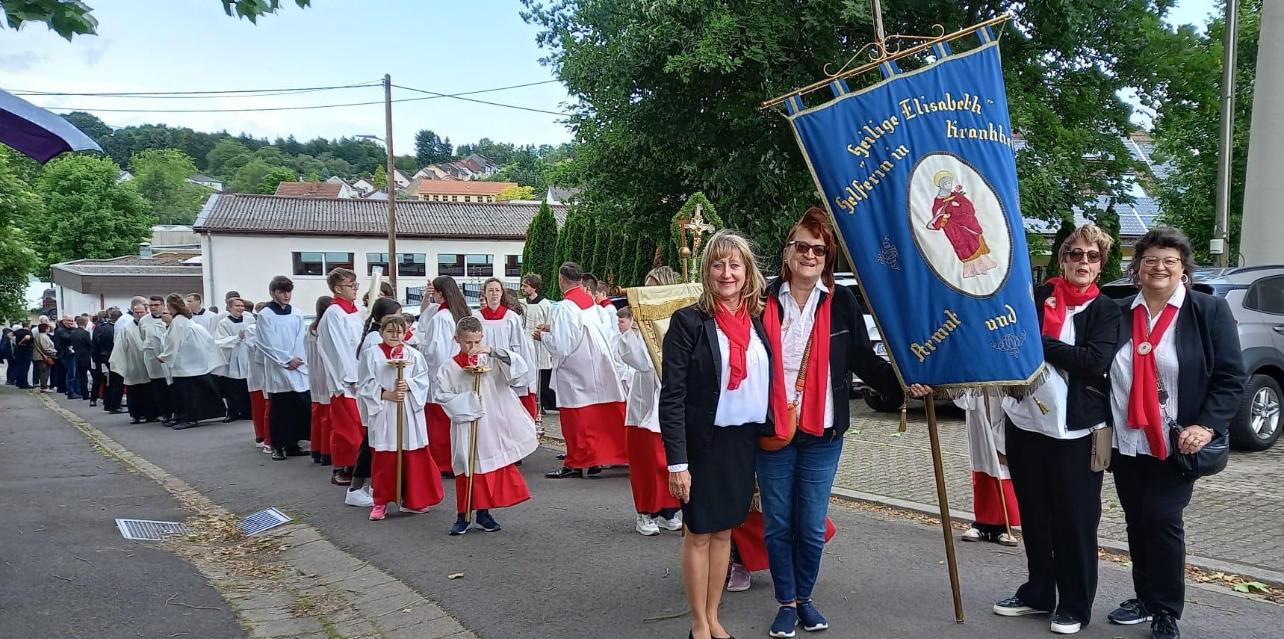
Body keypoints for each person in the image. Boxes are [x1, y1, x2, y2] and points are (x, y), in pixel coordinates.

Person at [756, 208, 919, 638]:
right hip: (773, 429)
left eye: (819, 249)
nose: (810, 255)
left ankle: (805, 598)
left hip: (823, 431)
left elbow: (864, 358)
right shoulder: (763, 300)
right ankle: (785, 602)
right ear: (788, 251)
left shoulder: (841, 301)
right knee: (778, 524)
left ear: (828, 258)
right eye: (802, 246)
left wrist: (905, 384)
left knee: (809, 526)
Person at [1105, 227, 1245, 639]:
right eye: (1150, 260)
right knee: (1136, 520)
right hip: (1127, 438)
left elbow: (1230, 377)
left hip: (1177, 441)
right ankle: (1144, 598)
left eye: (1169, 260)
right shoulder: (1119, 311)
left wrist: (1207, 425)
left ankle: (1166, 609)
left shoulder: (1207, 311)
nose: (1159, 267)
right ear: (1137, 269)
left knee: (1162, 518)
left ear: (1183, 268)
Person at [991, 223, 1122, 636]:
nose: (1083, 262)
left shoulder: (1107, 312)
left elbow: (1091, 361)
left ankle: (1075, 602)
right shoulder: (1039, 298)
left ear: (1101, 266)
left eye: (1092, 256)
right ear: (1062, 260)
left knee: (1076, 519)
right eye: (1076, 254)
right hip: (1026, 423)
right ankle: (1039, 591)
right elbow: (1008, 339)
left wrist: (1038, 342)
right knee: (1035, 514)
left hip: (1077, 431)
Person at [659, 230, 771, 639]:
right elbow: (672, 396)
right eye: (719, 265)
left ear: (747, 271)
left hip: (742, 444)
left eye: (735, 265)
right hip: (702, 445)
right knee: (699, 532)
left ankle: (714, 614)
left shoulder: (758, 322)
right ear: (708, 272)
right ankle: (697, 623)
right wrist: (677, 462)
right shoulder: (689, 322)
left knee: (725, 530)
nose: (727, 273)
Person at [436, 315, 538, 535]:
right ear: (457, 339)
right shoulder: (448, 368)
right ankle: (463, 515)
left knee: (488, 467)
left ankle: (483, 513)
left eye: (476, 342)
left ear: (482, 337)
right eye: (467, 343)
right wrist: (468, 403)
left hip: (491, 424)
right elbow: (442, 396)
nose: (472, 347)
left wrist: (492, 351)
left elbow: (518, 369)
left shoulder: (490, 360)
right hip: (466, 424)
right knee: (467, 465)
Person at [537, 262, 630, 479]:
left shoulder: (565, 307)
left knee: (576, 418)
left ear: (561, 280)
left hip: (575, 370)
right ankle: (595, 459)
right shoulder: (591, 303)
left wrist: (543, 336)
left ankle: (576, 462)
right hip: (597, 365)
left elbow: (562, 344)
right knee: (596, 415)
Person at [357, 314, 445, 521]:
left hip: (407, 410)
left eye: (399, 332)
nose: (394, 335)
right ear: (381, 332)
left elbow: (423, 379)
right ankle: (380, 501)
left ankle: (413, 499)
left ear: (405, 333)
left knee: (412, 453)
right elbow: (364, 383)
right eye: (390, 331)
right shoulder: (371, 355)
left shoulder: (413, 355)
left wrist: (410, 385)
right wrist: (385, 394)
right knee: (385, 456)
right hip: (385, 410)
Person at [618, 266, 684, 537]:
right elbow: (638, 361)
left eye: (652, 286)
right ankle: (645, 512)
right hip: (646, 404)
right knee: (647, 462)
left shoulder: (678, 320)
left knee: (671, 461)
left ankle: (669, 510)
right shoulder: (641, 324)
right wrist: (635, 326)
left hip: (674, 401)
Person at [349, 297, 412, 507]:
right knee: (371, 446)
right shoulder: (375, 341)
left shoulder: (380, 336)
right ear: (382, 319)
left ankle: (370, 487)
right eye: (393, 317)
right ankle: (357, 487)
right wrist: (384, 393)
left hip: (388, 401)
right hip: (379, 401)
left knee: (373, 445)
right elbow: (370, 374)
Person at [316, 268, 368, 487]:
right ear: (338, 288)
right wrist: (351, 375)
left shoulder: (355, 311)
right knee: (347, 427)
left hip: (359, 375)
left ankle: (358, 466)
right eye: (351, 285)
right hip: (345, 380)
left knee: (359, 425)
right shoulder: (335, 313)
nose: (356, 289)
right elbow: (340, 348)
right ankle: (342, 467)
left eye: (356, 284)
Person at [419, 276, 473, 475]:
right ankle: (456, 459)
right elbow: (424, 314)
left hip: (440, 374)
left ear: (441, 294)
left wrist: (419, 348)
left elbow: (435, 351)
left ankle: (442, 463)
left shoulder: (442, 318)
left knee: (438, 422)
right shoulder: (458, 312)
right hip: (456, 372)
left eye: (434, 293)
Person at [254, 276, 312, 460]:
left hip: (297, 366)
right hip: (278, 367)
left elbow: (300, 338)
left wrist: (298, 358)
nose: (286, 295)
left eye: (289, 291)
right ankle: (278, 447)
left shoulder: (296, 313)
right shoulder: (265, 315)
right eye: (282, 291)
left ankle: (293, 444)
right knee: (280, 410)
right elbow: (266, 343)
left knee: (298, 408)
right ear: (273, 293)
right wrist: (286, 360)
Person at [955, 389, 1020, 546]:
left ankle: (1004, 526)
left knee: (1002, 466)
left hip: (1001, 400)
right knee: (982, 461)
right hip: (978, 403)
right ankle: (982, 522)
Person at [157, 293, 226, 429]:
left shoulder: (179, 322)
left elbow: (173, 341)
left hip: (187, 362)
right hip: (189, 361)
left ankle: (189, 418)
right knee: (182, 392)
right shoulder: (182, 320)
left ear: (172, 306)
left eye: (167, 306)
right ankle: (181, 416)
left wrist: (164, 357)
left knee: (188, 393)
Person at [476, 278, 538, 419]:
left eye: (497, 290)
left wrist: (525, 376)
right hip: (486, 368)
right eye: (490, 290)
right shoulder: (477, 318)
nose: (494, 294)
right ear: (484, 293)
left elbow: (520, 347)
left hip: (507, 370)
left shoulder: (511, 317)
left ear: (502, 293)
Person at [213, 298, 254, 423]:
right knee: (232, 388)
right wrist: (237, 337)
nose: (240, 308)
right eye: (237, 306)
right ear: (230, 307)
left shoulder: (249, 319)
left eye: (242, 306)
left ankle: (248, 411)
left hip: (247, 355)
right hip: (233, 357)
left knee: (247, 386)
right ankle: (233, 412)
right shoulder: (224, 323)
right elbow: (220, 340)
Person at [305, 296, 334, 466]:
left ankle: (316, 450)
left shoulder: (311, 328)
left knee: (318, 413)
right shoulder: (327, 327)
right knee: (328, 415)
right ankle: (326, 451)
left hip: (314, 373)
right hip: (326, 373)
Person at [520, 274, 556, 414]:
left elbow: (550, 324)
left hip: (540, 342)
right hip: (526, 341)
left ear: (534, 287)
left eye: (526, 285)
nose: (523, 288)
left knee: (541, 373)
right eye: (523, 285)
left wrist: (545, 335)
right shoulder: (522, 303)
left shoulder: (545, 304)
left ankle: (541, 403)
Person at [141, 296, 174, 423]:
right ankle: (163, 413)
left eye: (156, 305)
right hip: (153, 359)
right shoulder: (144, 320)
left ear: (163, 305)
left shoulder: (170, 318)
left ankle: (174, 412)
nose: (153, 307)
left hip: (168, 358)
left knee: (170, 386)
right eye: (151, 305)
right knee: (158, 388)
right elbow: (142, 336)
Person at [247, 301, 273, 453]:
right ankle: (261, 436)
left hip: (269, 375)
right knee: (260, 406)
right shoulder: (252, 329)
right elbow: (258, 352)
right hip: (258, 375)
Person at [90, 311, 115, 408]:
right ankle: (104, 399)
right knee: (105, 379)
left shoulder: (98, 327)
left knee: (100, 379)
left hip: (99, 357)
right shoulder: (103, 328)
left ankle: (95, 399)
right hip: (103, 357)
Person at [67, 315, 93, 400]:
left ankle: (84, 393)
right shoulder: (85, 333)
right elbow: (90, 345)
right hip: (86, 357)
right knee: (94, 375)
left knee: (82, 376)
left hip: (77, 356)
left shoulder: (72, 333)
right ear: (85, 323)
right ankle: (92, 393)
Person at [33, 323, 55, 392]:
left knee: (43, 371)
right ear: (45, 329)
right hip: (43, 357)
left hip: (39, 356)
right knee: (45, 372)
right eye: (48, 328)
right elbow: (45, 348)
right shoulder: (43, 336)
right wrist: (54, 351)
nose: (49, 329)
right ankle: (44, 386)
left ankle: (43, 386)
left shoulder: (38, 335)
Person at [10, 324, 33, 389]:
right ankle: (24, 384)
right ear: (28, 327)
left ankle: (18, 382)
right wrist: (21, 342)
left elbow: (9, 335)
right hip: (26, 352)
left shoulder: (18, 331)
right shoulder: (28, 332)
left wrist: (15, 342)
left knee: (19, 367)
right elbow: (27, 337)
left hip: (18, 351)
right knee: (25, 368)